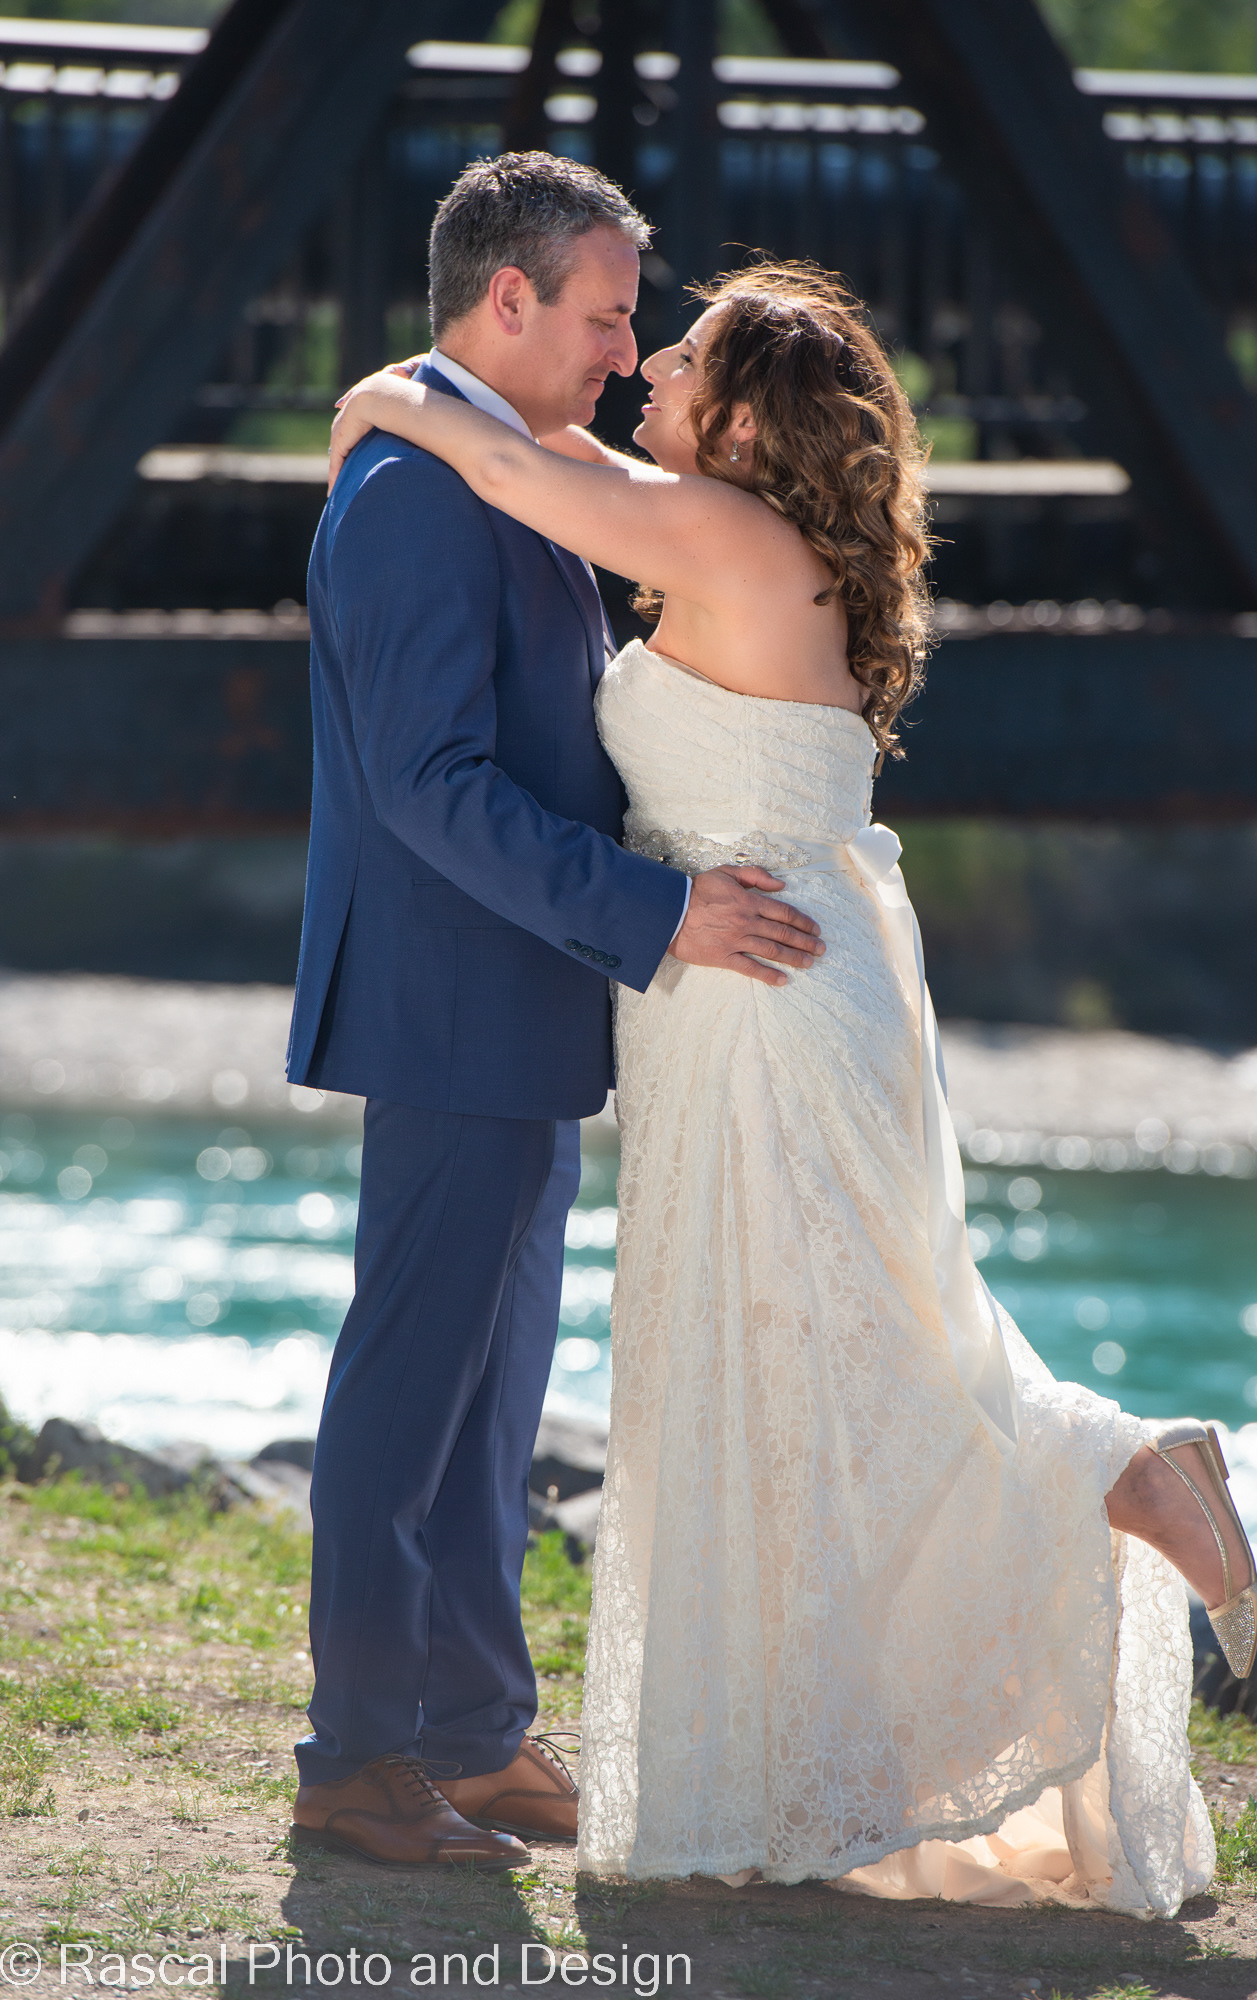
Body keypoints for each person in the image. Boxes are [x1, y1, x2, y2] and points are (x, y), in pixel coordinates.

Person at [328, 257, 1257, 1915]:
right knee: (804, 1363)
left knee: (851, 1356)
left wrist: (394, 395)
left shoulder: (718, 536)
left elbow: (519, 469)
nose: (643, 377)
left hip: (760, 995)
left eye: (674, 357)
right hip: (758, 982)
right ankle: (797, 1759)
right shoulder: (736, 524)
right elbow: (582, 471)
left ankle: (1116, 1467)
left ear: (745, 417)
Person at [284, 158, 823, 1872]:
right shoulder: (412, 494)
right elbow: (431, 787)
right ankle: (357, 1757)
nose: (624, 349)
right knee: (409, 1383)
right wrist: (657, 916)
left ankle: (471, 1731)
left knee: (492, 1393)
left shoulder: (502, 471)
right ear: (504, 299)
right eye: (605, 314)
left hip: (525, 1005)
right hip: (449, 1002)